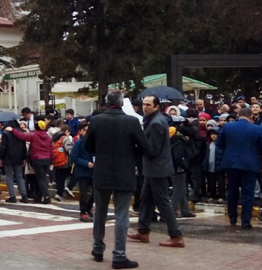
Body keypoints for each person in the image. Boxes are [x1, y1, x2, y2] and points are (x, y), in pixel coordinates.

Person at [84, 91, 153, 269]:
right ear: (122, 103)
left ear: (107, 103)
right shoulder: (131, 121)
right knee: (122, 214)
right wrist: (132, 154)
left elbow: (88, 146)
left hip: (102, 172)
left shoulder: (96, 121)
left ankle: (98, 248)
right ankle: (119, 255)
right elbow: (145, 146)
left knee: (100, 212)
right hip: (124, 172)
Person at [128, 95, 184, 248]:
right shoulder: (152, 120)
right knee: (146, 199)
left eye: (148, 105)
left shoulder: (156, 123)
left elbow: (153, 149)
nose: (145, 107)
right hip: (152, 168)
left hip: (158, 169)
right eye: (144, 104)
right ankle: (143, 231)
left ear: (156, 106)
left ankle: (176, 235)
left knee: (163, 202)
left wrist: (138, 142)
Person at [216, 108, 262, 229]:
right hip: (250, 164)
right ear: (251, 116)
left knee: (232, 190)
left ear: (238, 115)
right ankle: (245, 221)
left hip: (231, 163)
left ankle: (232, 217)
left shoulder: (228, 127)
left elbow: (219, 144)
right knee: (248, 193)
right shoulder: (257, 129)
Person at [6, 120, 54, 204]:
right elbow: (51, 149)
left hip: (37, 159)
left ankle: (46, 196)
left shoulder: (34, 135)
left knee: (40, 179)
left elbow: (22, 136)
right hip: (47, 159)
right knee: (43, 178)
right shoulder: (48, 137)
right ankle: (39, 196)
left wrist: (13, 130)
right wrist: (52, 161)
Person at [170, 120, 195, 217]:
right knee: (178, 191)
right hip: (178, 170)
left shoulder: (175, 141)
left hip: (175, 169)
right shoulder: (179, 144)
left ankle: (185, 210)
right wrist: (185, 165)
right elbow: (178, 158)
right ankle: (171, 210)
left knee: (183, 190)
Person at [0, 120, 28, 203]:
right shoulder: (20, 132)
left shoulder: (5, 133)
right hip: (19, 157)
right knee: (19, 176)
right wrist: (24, 157)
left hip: (8, 157)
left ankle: (12, 196)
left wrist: (1, 157)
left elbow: (3, 146)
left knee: (9, 177)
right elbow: (23, 146)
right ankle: (24, 195)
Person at [71, 121, 94, 222]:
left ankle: (89, 207)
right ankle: (83, 212)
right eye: (84, 130)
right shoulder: (78, 143)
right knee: (84, 193)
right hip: (82, 171)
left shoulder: (93, 142)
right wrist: (86, 163)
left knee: (96, 192)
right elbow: (74, 157)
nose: (86, 132)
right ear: (80, 131)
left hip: (93, 171)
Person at [203, 129, 225, 204]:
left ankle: (221, 196)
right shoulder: (209, 144)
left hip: (219, 167)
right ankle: (212, 195)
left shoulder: (221, 145)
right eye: (211, 134)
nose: (213, 136)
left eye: (215, 134)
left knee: (220, 182)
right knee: (211, 182)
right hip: (210, 167)